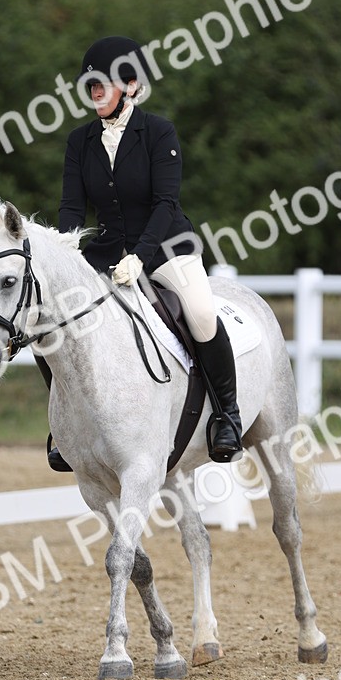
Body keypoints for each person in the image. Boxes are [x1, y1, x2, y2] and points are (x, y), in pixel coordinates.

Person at [41, 35, 242, 471]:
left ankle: (227, 415)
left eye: (103, 83)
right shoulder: (80, 142)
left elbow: (164, 203)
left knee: (202, 312)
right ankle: (63, 425)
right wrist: (64, 251)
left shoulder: (158, 132)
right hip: (108, 249)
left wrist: (141, 255)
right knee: (50, 319)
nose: (94, 91)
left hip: (168, 244)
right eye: (90, 84)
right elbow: (72, 207)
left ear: (130, 85)